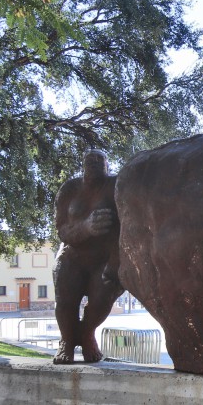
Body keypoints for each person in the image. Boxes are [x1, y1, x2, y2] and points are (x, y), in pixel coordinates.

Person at [53, 149, 123, 363]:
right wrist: (85, 227)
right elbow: (61, 230)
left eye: (98, 160)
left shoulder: (116, 187)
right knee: (65, 298)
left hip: (104, 259)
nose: (93, 164)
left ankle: (86, 334)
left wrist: (117, 259)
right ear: (82, 165)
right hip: (72, 256)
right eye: (88, 161)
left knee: (102, 300)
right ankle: (66, 340)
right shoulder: (69, 189)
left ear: (107, 165)